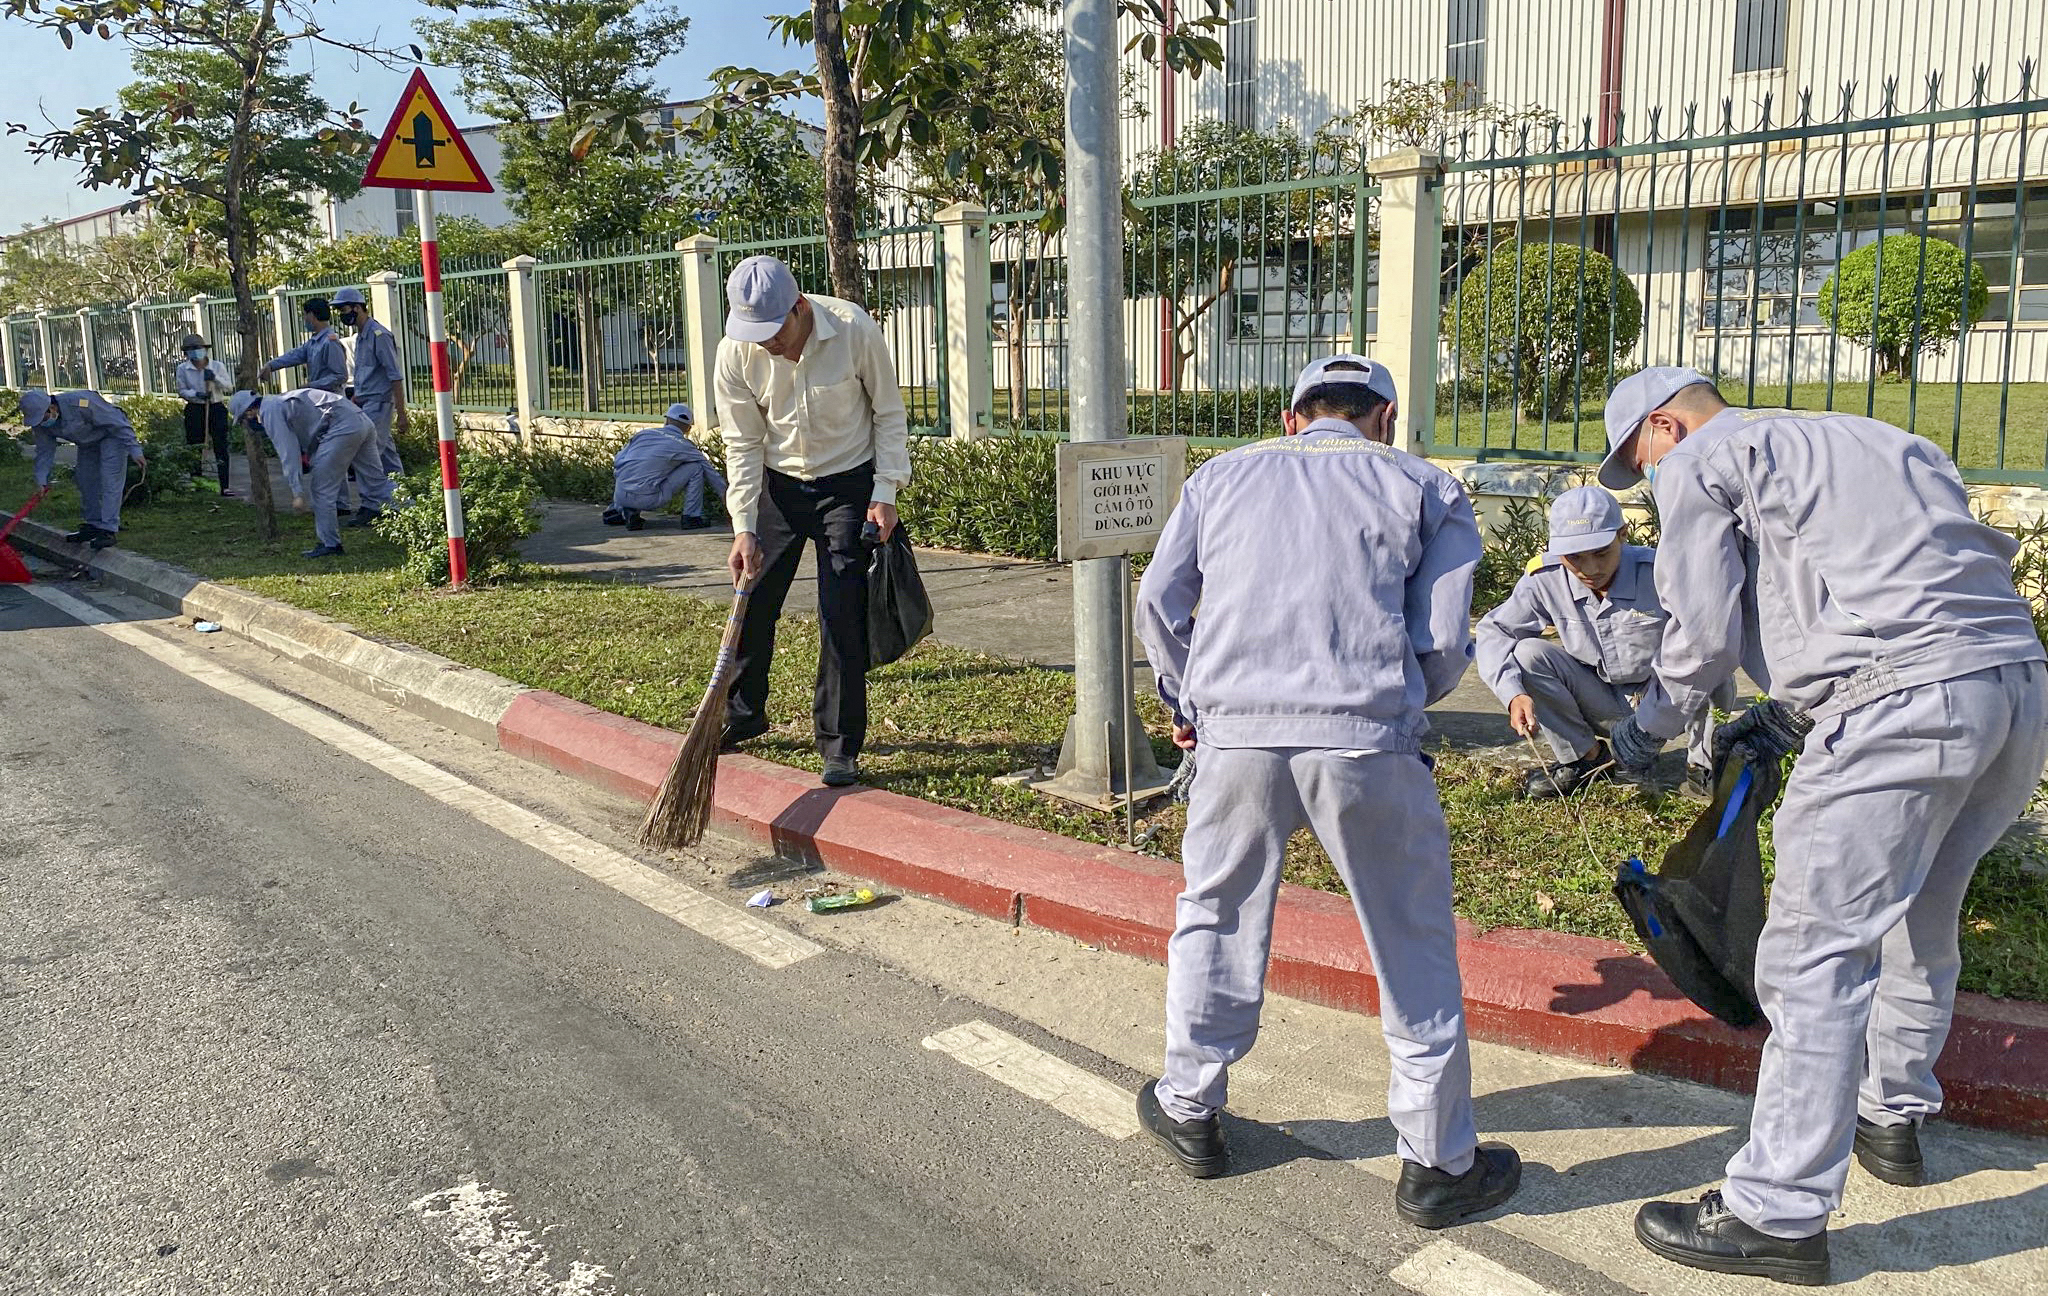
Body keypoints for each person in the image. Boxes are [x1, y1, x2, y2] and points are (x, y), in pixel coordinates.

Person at [1596, 368, 2048, 1286]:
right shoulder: (1874, 438)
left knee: (1811, 956)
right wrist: (1799, 706)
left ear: (1663, 426)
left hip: (1899, 702)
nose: (1642, 484)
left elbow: (1700, 638)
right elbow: (1894, 576)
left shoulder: (1704, 460)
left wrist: (1643, 734)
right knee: (1923, 914)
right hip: (2013, 680)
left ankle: (1777, 1211)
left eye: (1635, 462)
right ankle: (1893, 1115)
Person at [1133, 354, 1521, 1228]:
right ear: (1386, 416)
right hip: (1367, 736)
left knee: (1218, 912)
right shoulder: (1424, 486)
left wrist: (1188, 702)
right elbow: (1444, 634)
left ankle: (1191, 1108)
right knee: (1411, 942)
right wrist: (1400, 707)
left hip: (1237, 734)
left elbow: (1159, 601)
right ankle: (1436, 1162)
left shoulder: (1220, 478)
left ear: (1291, 416)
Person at [714, 254, 911, 789]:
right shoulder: (736, 352)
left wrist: (885, 490)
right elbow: (742, 441)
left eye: (773, 331)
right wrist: (744, 525)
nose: (766, 344)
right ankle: (742, 714)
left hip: (848, 486)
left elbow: (889, 412)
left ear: (799, 308)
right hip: (778, 486)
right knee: (753, 598)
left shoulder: (852, 329)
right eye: (754, 333)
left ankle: (840, 744)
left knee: (840, 612)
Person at [1475, 484, 1732, 798]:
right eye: (1575, 557)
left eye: (1601, 552)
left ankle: (1701, 767)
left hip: (1665, 697)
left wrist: (1656, 716)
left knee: (1715, 668)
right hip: (1599, 699)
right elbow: (1495, 631)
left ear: (1622, 535)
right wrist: (1513, 694)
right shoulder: (1545, 579)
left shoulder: (1660, 572)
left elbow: (1707, 637)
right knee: (1527, 654)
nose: (1590, 569)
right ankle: (1586, 759)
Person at [230, 387, 388, 560]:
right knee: (377, 483)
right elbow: (310, 437)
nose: (249, 422)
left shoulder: (269, 411)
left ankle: (330, 544)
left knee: (321, 490)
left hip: (341, 426)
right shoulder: (280, 401)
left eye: (245, 418)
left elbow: (288, 452)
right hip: (360, 420)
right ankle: (417, 509)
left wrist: (297, 491)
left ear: (250, 410)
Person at [23, 387, 145, 551]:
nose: (42, 423)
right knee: (85, 480)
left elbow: (116, 422)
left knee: (110, 480)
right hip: (88, 443)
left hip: (112, 436)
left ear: (51, 407)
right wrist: (41, 480)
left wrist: (135, 450)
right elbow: (44, 452)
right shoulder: (41, 424)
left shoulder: (81, 402)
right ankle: (93, 524)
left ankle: (108, 529)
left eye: (43, 417)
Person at [332, 286, 406, 507]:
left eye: (344, 309)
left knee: (366, 455)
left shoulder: (378, 335)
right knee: (387, 457)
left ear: (357, 307)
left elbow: (395, 376)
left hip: (380, 404)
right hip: (366, 403)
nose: (342, 314)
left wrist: (401, 413)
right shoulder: (361, 337)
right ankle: (404, 501)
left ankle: (371, 505)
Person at [603, 402, 725, 531]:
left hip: (620, 496)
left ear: (666, 421)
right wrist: (727, 497)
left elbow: (618, 461)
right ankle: (691, 517)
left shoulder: (643, 435)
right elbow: (711, 473)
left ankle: (622, 510)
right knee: (696, 467)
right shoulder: (685, 446)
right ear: (688, 429)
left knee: (640, 471)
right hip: (649, 500)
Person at [173, 334, 236, 496]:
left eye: (198, 348)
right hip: (195, 409)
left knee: (220, 446)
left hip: (216, 408)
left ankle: (225, 486)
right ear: (186, 353)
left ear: (205, 350)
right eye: (191, 350)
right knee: (195, 446)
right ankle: (197, 482)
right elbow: (182, 390)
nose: (196, 352)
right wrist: (197, 394)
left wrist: (214, 379)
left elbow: (229, 387)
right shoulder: (182, 369)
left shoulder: (217, 366)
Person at [261, 297, 347, 395]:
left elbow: (340, 376)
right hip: (319, 399)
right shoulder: (314, 342)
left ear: (311, 315)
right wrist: (271, 365)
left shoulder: (330, 342)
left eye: (305, 314)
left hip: (332, 401)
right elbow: (295, 355)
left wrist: (312, 385)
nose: (304, 318)